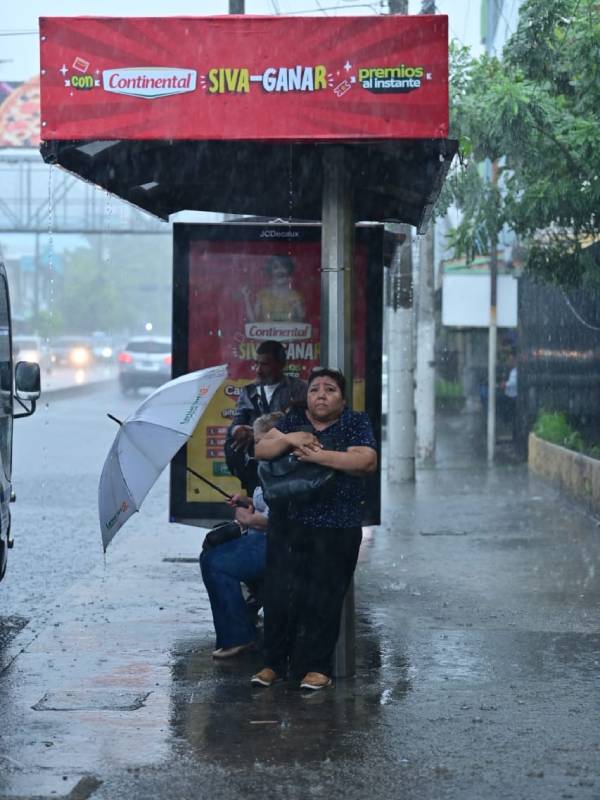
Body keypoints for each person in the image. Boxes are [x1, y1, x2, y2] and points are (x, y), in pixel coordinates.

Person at [251, 367, 378, 691]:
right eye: (315, 389)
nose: (321, 395)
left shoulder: (355, 422)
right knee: (279, 596)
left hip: (337, 526)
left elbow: (364, 461)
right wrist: (293, 438)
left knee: (324, 599)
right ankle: (273, 664)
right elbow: (262, 449)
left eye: (330, 389)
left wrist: (319, 456)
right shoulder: (293, 421)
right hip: (288, 524)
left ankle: (317, 668)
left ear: (343, 398)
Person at [200, 412, 284, 660]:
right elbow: (265, 503)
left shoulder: (285, 466)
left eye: (259, 441)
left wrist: (251, 519)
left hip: (275, 541)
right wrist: (247, 502)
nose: (255, 446)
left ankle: (237, 636)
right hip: (259, 536)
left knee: (216, 563)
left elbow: (283, 518)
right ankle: (237, 629)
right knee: (210, 553)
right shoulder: (268, 465)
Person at [225, 340, 306, 492]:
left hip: (287, 458)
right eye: (257, 364)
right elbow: (237, 422)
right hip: (256, 459)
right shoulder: (248, 391)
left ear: (281, 364)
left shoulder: (299, 389)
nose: (258, 370)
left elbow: (304, 424)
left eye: (265, 364)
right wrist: (238, 430)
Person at [241, 255, 306, 322]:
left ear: (288, 270)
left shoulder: (295, 296)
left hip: (289, 332)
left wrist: (297, 306)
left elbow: (301, 320)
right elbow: (253, 320)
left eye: (284, 267)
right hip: (267, 332)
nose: (280, 270)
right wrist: (246, 299)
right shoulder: (263, 295)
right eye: (276, 267)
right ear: (270, 272)